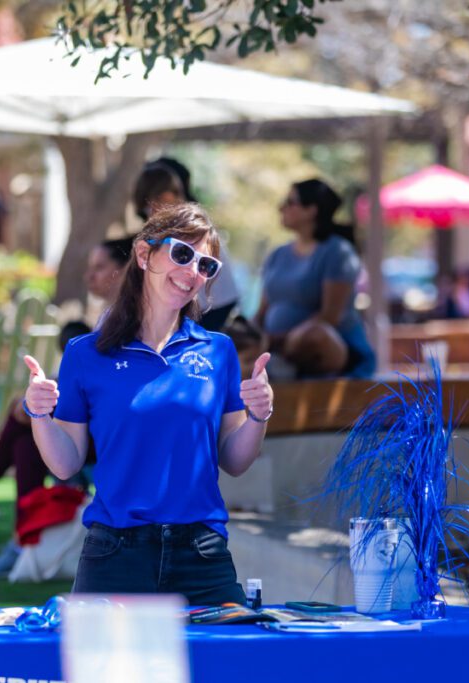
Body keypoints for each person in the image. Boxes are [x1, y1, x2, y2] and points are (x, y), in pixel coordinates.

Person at [24, 203, 274, 604]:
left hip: (202, 553)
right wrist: (39, 414)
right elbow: (66, 463)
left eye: (206, 265)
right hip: (114, 554)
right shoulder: (85, 354)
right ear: (144, 254)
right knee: (101, 670)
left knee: (227, 667)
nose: (193, 271)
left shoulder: (219, 351)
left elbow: (235, 460)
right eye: (182, 254)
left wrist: (260, 415)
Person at [0, 236, 134, 578]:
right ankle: (21, 541)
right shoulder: (107, 316)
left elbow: (107, 382)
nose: (90, 277)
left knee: (21, 412)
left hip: (111, 428)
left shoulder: (128, 319)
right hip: (93, 420)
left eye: (99, 268)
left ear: (123, 270)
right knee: (26, 445)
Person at [255, 179, 375, 378]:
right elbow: (262, 312)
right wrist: (251, 334)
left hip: (325, 348)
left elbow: (330, 317)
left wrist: (279, 340)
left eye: (290, 202)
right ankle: (273, 365)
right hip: (271, 344)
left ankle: (280, 365)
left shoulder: (338, 252)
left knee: (315, 335)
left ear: (311, 210)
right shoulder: (277, 255)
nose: (281, 208)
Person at [134, 159, 239, 331]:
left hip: (213, 306)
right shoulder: (171, 222)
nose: (150, 213)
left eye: (151, 206)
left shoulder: (189, 224)